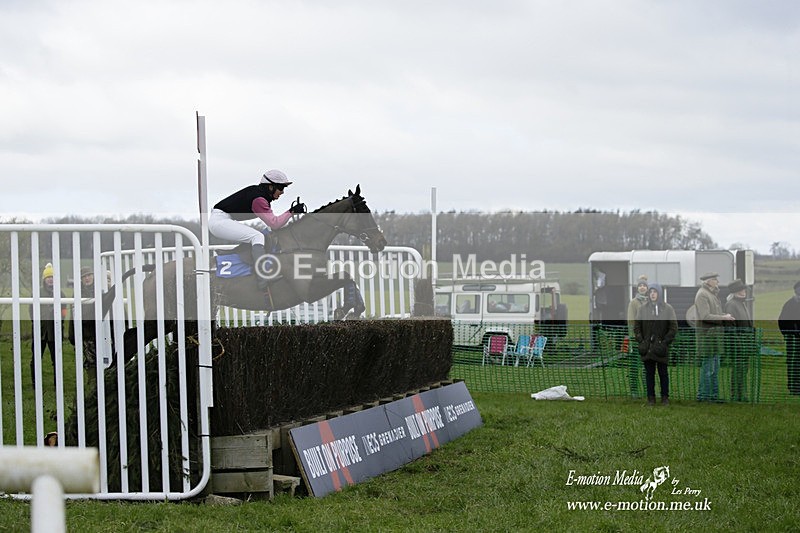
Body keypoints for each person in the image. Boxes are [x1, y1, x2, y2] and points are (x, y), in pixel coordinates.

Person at [208, 169, 305, 289]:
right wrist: (292, 212)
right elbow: (275, 224)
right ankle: (262, 276)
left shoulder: (260, 195)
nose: (282, 192)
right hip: (219, 221)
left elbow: (272, 224)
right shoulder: (259, 199)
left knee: (262, 234)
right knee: (257, 237)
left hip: (222, 219)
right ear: (270, 187)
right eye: (281, 188)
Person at [634, 283, 678, 406]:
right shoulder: (642, 309)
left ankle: (665, 398)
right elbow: (637, 327)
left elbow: (673, 328)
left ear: (659, 293)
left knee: (663, 374)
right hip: (647, 348)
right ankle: (651, 398)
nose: (653, 294)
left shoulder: (668, 308)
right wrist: (642, 341)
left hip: (661, 348)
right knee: (649, 374)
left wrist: (664, 343)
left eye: (655, 292)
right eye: (651, 292)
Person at [694, 272, 735, 402]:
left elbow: (714, 314)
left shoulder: (712, 295)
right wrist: (724, 318)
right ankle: (703, 396)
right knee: (708, 369)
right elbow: (705, 316)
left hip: (715, 338)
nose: (717, 281)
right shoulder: (702, 295)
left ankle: (713, 396)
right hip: (707, 338)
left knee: (714, 370)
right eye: (714, 279)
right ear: (708, 281)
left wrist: (725, 315)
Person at [29, 262, 67, 388]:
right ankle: (35, 383)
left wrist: (58, 320)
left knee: (56, 359)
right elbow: (31, 310)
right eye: (48, 278)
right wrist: (36, 323)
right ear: (44, 280)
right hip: (39, 331)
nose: (50, 280)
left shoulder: (60, 294)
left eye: (52, 277)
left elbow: (64, 311)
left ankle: (58, 383)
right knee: (36, 359)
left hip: (54, 331)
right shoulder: (37, 293)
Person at [724, 279, 754, 401]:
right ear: (735, 292)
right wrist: (738, 344)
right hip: (737, 345)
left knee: (743, 370)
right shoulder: (731, 304)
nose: (743, 291)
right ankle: (735, 395)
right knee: (737, 370)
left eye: (743, 289)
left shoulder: (741, 303)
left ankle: (741, 394)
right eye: (740, 290)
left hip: (744, 344)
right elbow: (730, 328)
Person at [626, 275, 649, 398]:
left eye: (644, 285)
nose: (642, 287)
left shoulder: (651, 302)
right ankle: (634, 391)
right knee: (635, 367)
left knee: (647, 367)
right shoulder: (633, 303)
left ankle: (647, 389)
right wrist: (634, 338)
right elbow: (631, 322)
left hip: (649, 340)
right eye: (640, 285)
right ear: (637, 288)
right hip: (637, 340)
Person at [778, 281, 800, 395]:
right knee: (794, 362)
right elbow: (782, 322)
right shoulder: (790, 304)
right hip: (794, 340)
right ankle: (794, 387)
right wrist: (791, 333)